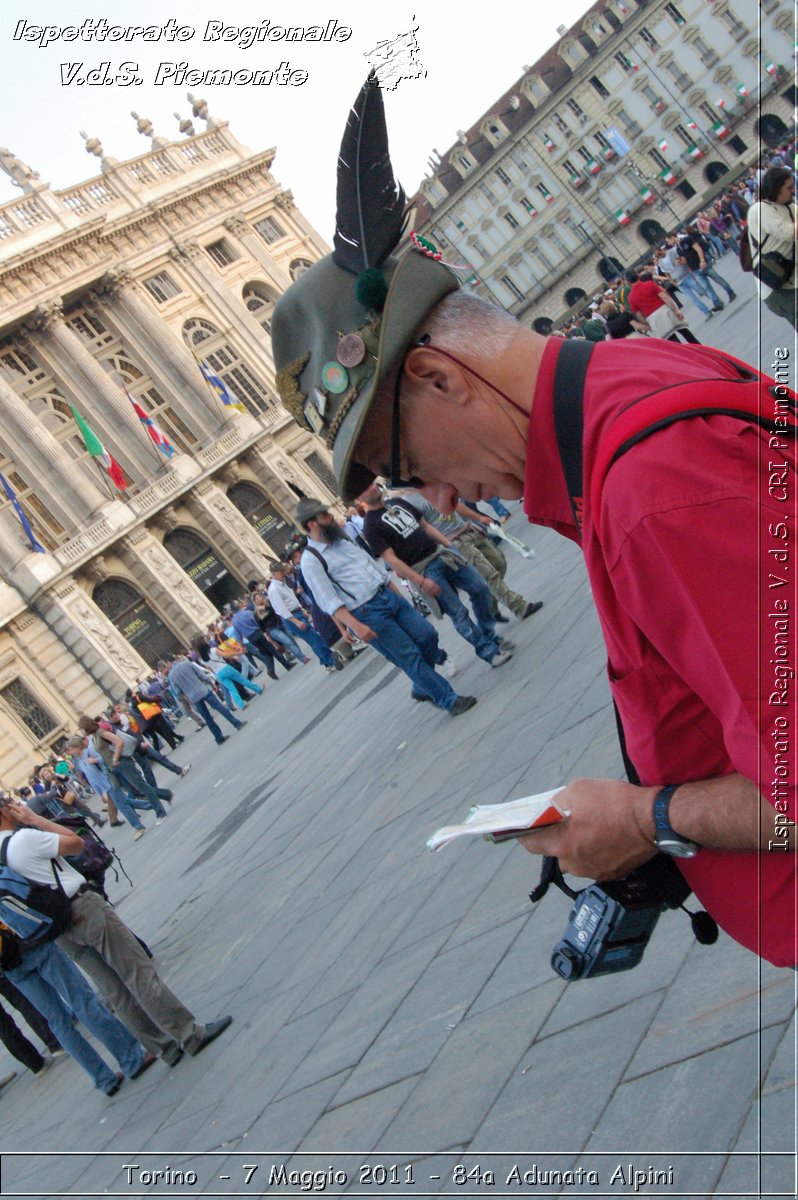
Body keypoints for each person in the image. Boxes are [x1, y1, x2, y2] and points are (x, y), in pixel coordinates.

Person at [270, 77, 796, 968]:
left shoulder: (647, 493)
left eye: (402, 466)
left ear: (442, 379)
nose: (432, 498)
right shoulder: (628, 384)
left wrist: (644, 819)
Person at [1, 797, 232, 1070]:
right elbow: (76, 843)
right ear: (5, 810)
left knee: (114, 990)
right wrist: (35, 819)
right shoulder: (23, 840)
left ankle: (163, 1049)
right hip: (82, 909)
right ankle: (189, 1035)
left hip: (57, 930)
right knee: (137, 973)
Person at [0, 799, 151, 1095]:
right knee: (82, 1001)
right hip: (33, 939)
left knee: (56, 1019)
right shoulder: (6, 846)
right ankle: (131, 1058)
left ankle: (104, 1080)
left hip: (7, 960)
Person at [295, 498, 476, 716]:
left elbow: (372, 566)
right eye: (324, 515)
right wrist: (354, 626)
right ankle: (449, 699)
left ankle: (421, 686)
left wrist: (397, 594)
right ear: (312, 524)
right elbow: (327, 600)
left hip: (388, 595)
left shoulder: (341, 540)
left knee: (427, 635)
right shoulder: (310, 560)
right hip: (366, 612)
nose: (331, 517)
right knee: (409, 656)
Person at [359, 482, 512, 668]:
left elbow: (424, 526)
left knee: (481, 589)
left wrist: (449, 544)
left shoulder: (397, 502)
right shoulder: (370, 526)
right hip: (423, 569)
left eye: (371, 484)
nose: (372, 487)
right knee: (458, 613)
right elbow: (390, 559)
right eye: (365, 488)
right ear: (359, 499)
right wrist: (420, 580)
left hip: (442, 555)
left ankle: (488, 634)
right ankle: (488, 651)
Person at [746, 165, 798, 329]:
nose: (793, 190)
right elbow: (789, 232)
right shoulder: (759, 210)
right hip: (777, 287)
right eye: (788, 187)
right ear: (776, 189)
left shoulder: (788, 206)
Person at [267, 562, 341, 672]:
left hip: (297, 613)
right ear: (273, 574)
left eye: (283, 571)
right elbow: (281, 609)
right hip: (292, 617)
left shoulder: (282, 583)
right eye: (280, 572)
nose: (283, 573)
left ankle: (326, 663)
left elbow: (291, 599)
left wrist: (301, 609)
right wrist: (296, 621)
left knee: (312, 639)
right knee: (314, 638)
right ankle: (330, 660)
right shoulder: (274, 589)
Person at [166, 655, 246, 746]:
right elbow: (201, 675)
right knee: (220, 707)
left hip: (193, 697)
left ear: (169, 663)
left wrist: (187, 698)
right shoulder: (187, 664)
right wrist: (211, 684)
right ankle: (236, 723)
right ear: (175, 659)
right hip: (203, 690)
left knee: (207, 718)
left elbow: (177, 691)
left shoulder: (171, 676)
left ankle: (219, 737)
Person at [626, 267, 699, 344]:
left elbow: (639, 316)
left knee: (673, 342)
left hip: (654, 319)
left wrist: (649, 325)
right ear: (638, 275)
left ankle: (686, 355)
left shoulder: (631, 298)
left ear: (628, 282)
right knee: (685, 332)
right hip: (665, 310)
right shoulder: (650, 284)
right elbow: (665, 297)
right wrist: (676, 310)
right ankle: (702, 349)